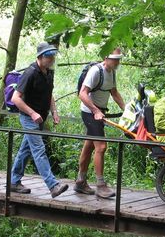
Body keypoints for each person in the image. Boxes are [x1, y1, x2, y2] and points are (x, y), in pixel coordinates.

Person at [10, 42, 68, 198]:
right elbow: (15, 98)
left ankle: (13, 182)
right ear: (40, 57)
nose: (51, 59)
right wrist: (32, 113)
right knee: (39, 150)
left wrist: (54, 112)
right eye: (48, 56)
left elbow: (49, 94)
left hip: (40, 118)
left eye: (53, 56)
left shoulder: (49, 72)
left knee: (26, 150)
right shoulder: (30, 74)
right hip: (29, 118)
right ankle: (53, 185)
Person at [75, 48, 126, 199]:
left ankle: (80, 181)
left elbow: (114, 92)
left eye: (119, 59)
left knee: (89, 145)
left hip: (99, 112)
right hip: (90, 112)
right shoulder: (95, 71)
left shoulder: (112, 72)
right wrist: (95, 110)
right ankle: (101, 185)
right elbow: (82, 94)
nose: (117, 62)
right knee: (101, 146)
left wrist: (126, 109)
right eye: (115, 59)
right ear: (106, 57)